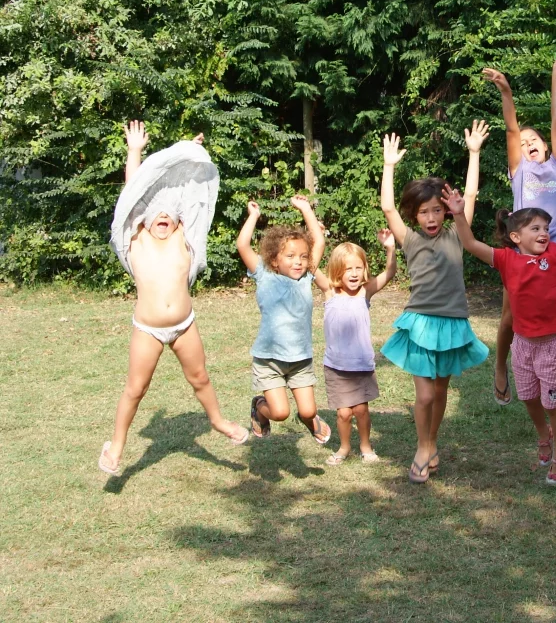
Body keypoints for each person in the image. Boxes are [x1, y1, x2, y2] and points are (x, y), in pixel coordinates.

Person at [442, 186, 556, 485]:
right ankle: (545, 434)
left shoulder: (555, 255)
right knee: (529, 397)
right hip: (523, 344)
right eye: (536, 228)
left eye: (546, 228)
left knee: (551, 402)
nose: (544, 233)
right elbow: (470, 243)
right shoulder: (506, 259)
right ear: (516, 237)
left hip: (552, 343)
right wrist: (459, 214)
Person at [100, 122, 248, 474]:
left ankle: (217, 421)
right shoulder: (137, 240)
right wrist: (134, 151)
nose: (163, 217)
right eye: (157, 215)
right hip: (148, 329)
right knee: (135, 388)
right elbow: (133, 193)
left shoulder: (185, 236)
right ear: (145, 221)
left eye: (169, 215)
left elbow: (186, 191)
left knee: (200, 378)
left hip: (184, 325)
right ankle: (117, 446)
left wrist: (190, 152)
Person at [379, 122, 490, 483]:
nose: (430, 217)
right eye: (424, 212)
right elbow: (387, 207)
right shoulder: (409, 240)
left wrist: (473, 153)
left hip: (452, 323)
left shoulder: (459, 236)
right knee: (424, 395)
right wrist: (389, 165)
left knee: (440, 391)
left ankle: (431, 443)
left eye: (436, 211)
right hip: (421, 322)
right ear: (416, 216)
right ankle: (422, 447)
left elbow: (469, 198)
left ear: (445, 211)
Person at [482, 56, 556, 412]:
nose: (528, 143)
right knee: (510, 316)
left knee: (555, 310)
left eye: (533, 139)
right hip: (524, 251)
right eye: (522, 143)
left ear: (545, 144)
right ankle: (501, 365)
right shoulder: (520, 171)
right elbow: (510, 129)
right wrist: (506, 91)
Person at [238, 195, 332, 446]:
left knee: (308, 411)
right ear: (274, 259)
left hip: (300, 360)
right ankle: (259, 408)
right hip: (270, 360)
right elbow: (242, 245)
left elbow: (318, 240)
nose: (298, 262)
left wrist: (305, 209)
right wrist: (253, 217)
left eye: (303, 256)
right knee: (280, 413)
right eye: (290, 256)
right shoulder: (264, 274)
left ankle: (309, 420)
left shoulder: (307, 277)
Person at [319, 231, 397, 465]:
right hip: (336, 366)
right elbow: (312, 266)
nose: (354, 274)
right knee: (344, 413)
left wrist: (390, 248)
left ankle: (366, 446)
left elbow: (390, 272)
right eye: (347, 269)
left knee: (361, 410)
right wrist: (316, 235)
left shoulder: (366, 291)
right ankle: (344, 447)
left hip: (361, 365)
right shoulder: (329, 292)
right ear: (336, 271)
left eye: (358, 268)